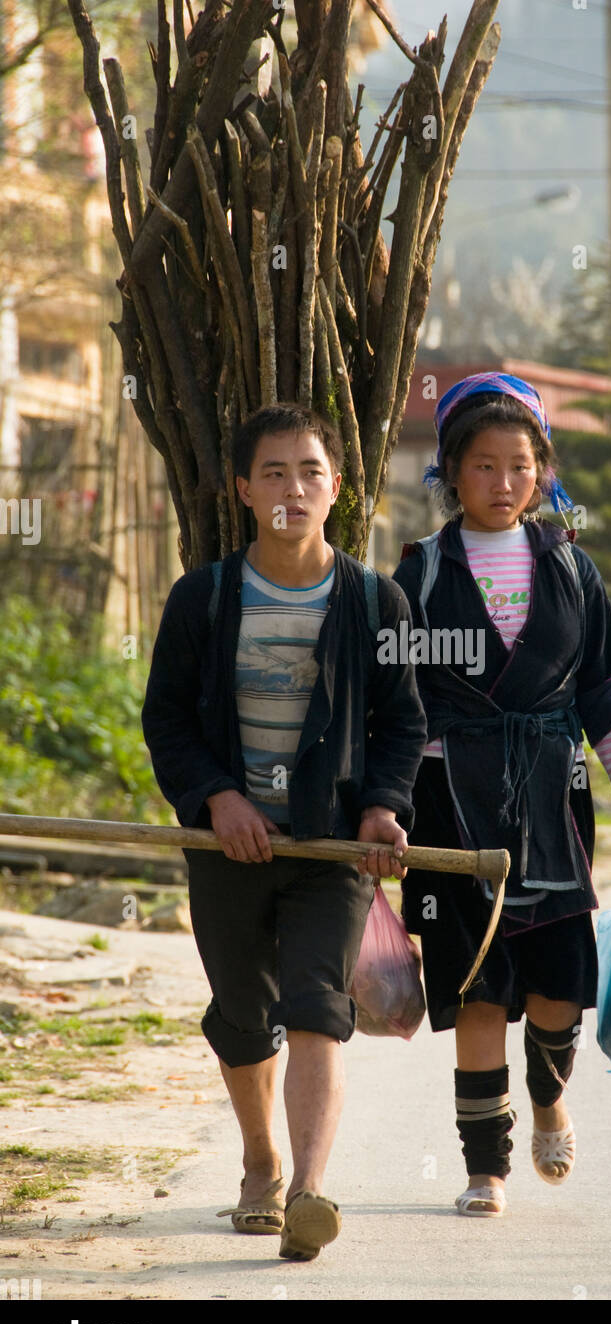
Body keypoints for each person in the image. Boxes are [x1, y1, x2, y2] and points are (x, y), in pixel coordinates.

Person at [141, 403, 427, 1259]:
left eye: (310, 472)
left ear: (337, 488)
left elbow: (400, 726)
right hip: (227, 844)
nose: (292, 489)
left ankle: (306, 1190)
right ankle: (260, 1162)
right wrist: (215, 799)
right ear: (242, 490)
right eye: (273, 472)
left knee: (316, 1010)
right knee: (241, 1011)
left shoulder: (375, 601)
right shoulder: (205, 596)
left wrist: (382, 808)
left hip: (330, 847)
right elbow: (166, 721)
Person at [392, 373, 611, 1217]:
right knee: (476, 988)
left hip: (554, 801)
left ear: (542, 472)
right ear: (449, 471)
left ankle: (550, 1093)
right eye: (482, 465)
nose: (503, 481)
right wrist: (384, 809)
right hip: (449, 805)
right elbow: (396, 709)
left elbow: (602, 697)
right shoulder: (418, 575)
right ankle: (486, 1168)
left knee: (556, 992)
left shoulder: (571, 572)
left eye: (520, 465)